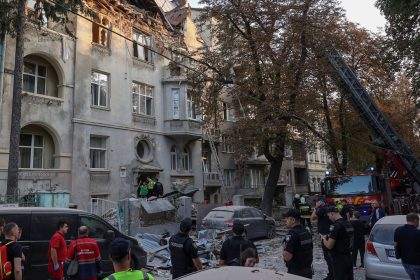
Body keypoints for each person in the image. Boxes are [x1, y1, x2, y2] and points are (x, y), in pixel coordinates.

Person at [321, 206, 354, 280]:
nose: (329, 218)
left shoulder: (336, 226)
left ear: (332, 213)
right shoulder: (348, 223)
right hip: (349, 257)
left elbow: (329, 246)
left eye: (329, 215)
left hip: (339, 259)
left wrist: (323, 239)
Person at [282, 209, 313, 278]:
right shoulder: (306, 231)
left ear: (293, 220)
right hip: (307, 269)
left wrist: (284, 251)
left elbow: (287, 257)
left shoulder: (292, 234)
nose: (285, 220)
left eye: (287, 218)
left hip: (296, 272)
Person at [311, 199, 333, 280]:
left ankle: (331, 275)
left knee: (328, 256)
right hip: (330, 233)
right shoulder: (329, 208)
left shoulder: (322, 209)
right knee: (331, 255)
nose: (316, 203)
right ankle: (333, 274)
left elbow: (313, 217)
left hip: (325, 235)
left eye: (317, 202)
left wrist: (315, 208)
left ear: (320, 202)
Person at [394, 213, 420, 280]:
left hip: (405, 262)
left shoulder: (398, 230)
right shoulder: (418, 233)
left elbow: (395, 245)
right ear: (415, 220)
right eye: (418, 221)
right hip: (417, 263)